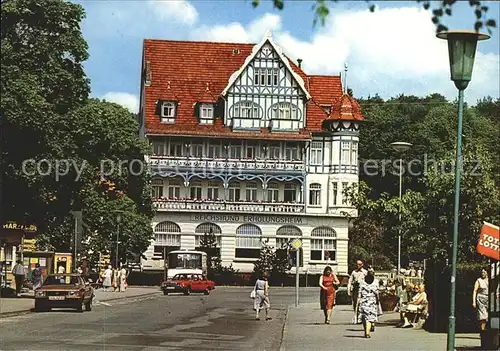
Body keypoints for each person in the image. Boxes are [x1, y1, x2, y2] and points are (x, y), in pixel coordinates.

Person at [356, 272, 379, 338]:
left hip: (363, 302)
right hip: (372, 302)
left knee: (364, 317)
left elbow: (359, 294)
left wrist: (357, 302)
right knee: (370, 318)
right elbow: (377, 293)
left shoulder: (362, 283)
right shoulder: (375, 284)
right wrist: (378, 300)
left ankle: (366, 330)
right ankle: (367, 333)